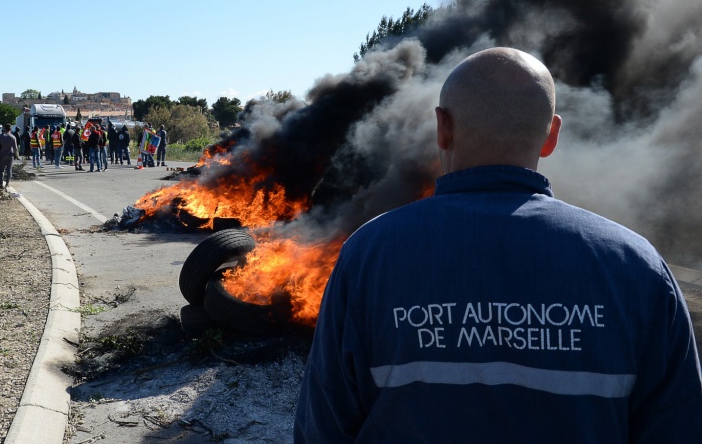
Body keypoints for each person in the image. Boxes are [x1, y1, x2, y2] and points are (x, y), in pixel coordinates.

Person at [293, 47, 702, 442]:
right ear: (551, 135)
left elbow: (323, 428)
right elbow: (679, 427)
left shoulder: (369, 254)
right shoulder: (638, 267)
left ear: (443, 127)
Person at [0, 123, 18, 188]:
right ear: (10, 129)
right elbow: (15, 148)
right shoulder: (13, 137)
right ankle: (7, 183)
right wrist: (16, 155)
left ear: (4, 129)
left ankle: (1, 183)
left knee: (1, 169)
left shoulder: (0, 136)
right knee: (9, 169)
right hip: (10, 154)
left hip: (2, 154)